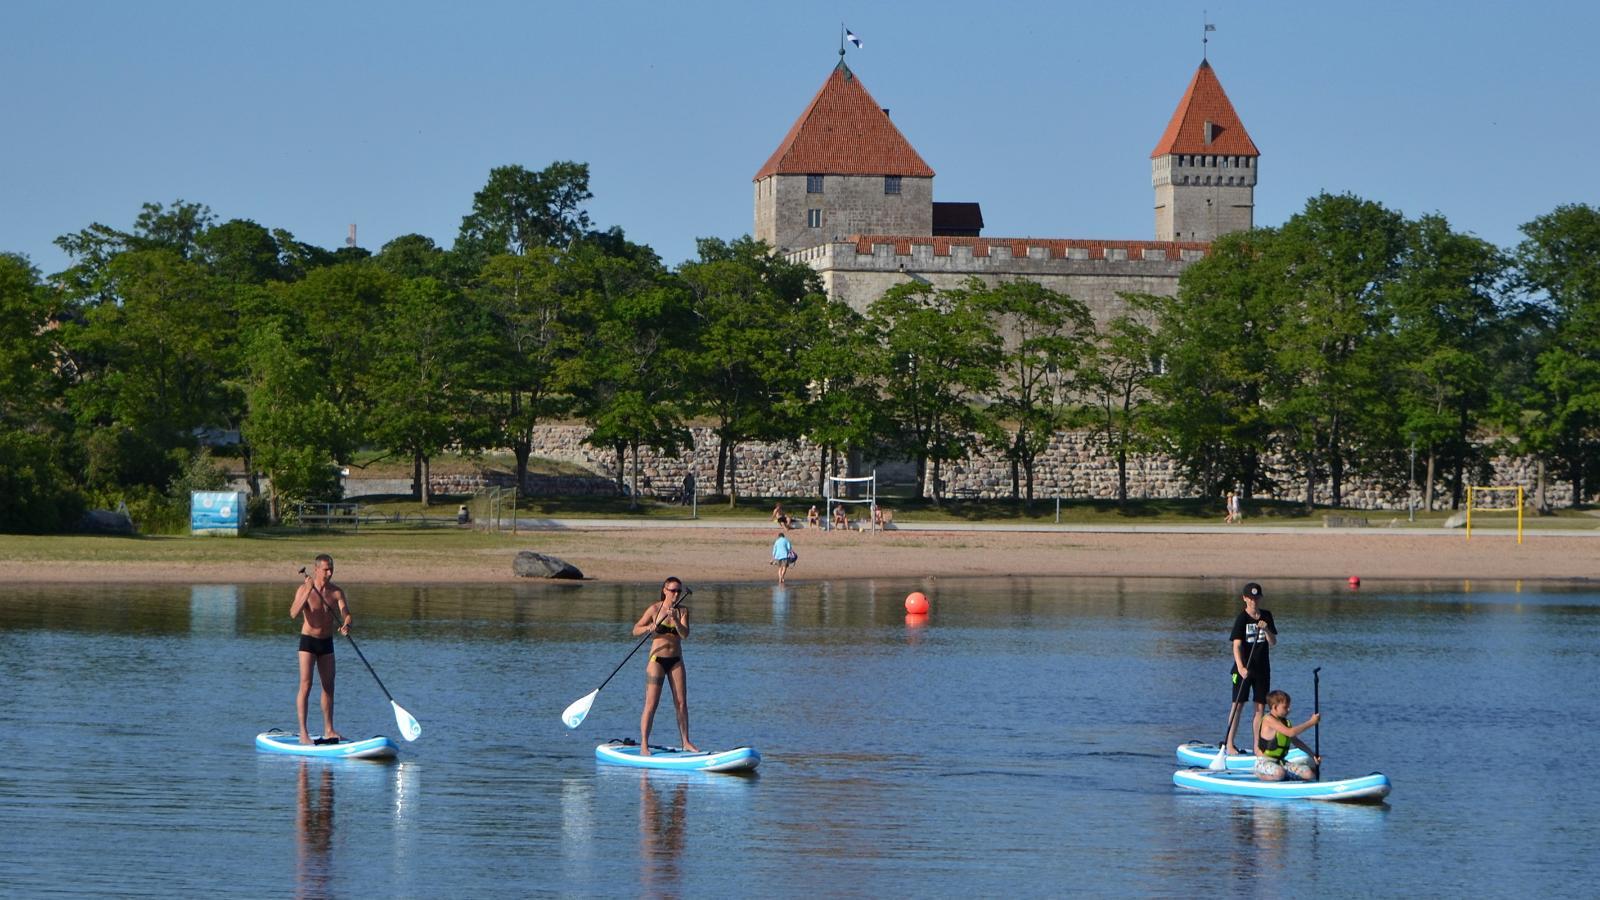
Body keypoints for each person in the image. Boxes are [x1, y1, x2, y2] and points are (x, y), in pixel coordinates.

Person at [631, 577, 699, 755]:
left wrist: (676, 620)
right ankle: (644, 745)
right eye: (673, 590)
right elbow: (635, 629)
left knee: (681, 703)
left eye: (678, 591)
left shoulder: (683, 611)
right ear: (665, 590)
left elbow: (684, 635)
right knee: (651, 704)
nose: (676, 594)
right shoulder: (654, 609)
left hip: (676, 660)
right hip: (657, 661)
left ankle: (686, 742)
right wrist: (648, 628)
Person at [289, 554, 352, 745]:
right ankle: (303, 733)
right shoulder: (304, 588)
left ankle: (329, 729)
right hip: (308, 642)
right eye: (326, 569)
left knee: (328, 686)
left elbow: (346, 613)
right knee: (306, 685)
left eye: (331, 569)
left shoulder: (336, 592)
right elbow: (293, 613)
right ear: (316, 570)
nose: (329, 573)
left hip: (327, 642)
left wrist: (346, 624)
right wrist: (308, 592)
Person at [1223, 582, 1277, 755]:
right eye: (1250, 598)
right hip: (1243, 670)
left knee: (1260, 709)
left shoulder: (1266, 616)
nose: (1254, 601)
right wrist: (1240, 667)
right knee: (1238, 706)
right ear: (1245, 599)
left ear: (1260, 598)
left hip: (1262, 670)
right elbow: (1236, 646)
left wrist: (1266, 628)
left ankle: (1257, 747)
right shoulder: (1242, 618)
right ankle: (1229, 744)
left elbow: (1273, 642)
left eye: (1257, 598)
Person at [1255, 690, 1321, 781]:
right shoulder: (1268, 719)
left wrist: (1312, 754)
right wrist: (1311, 722)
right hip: (1264, 763)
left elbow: (1296, 741)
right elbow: (1291, 732)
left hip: (1281, 763)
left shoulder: (1285, 722)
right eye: (1285, 707)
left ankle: (1285, 777)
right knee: (1279, 773)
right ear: (1275, 707)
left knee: (1309, 774)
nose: (1289, 709)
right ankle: (1260, 775)